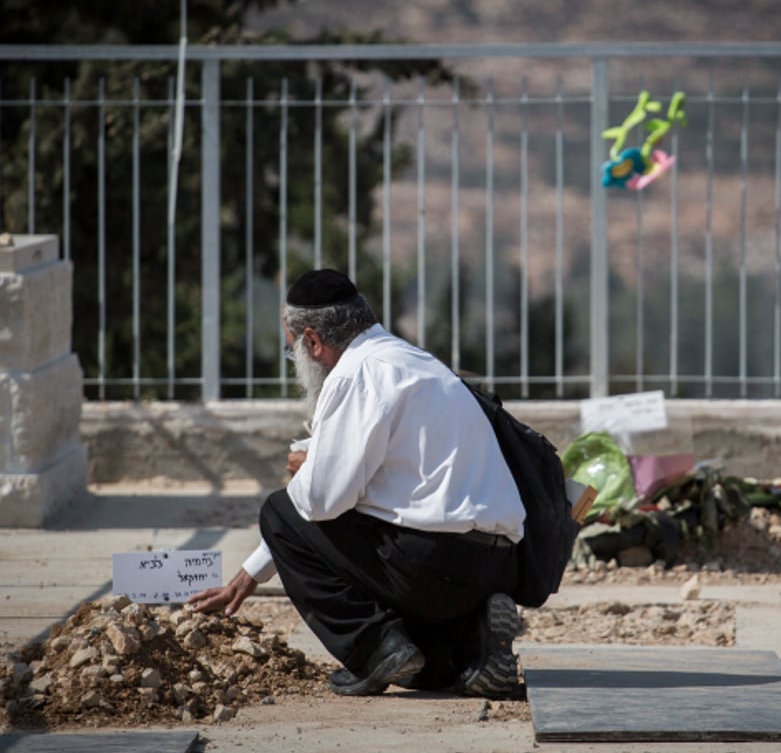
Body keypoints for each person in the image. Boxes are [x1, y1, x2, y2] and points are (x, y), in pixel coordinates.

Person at [188, 268, 527, 699]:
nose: (294, 360)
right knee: (425, 671)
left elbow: (319, 503)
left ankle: (372, 649)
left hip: (431, 565)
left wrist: (308, 467)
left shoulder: (355, 373)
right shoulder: (412, 359)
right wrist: (249, 576)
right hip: (495, 566)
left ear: (312, 341)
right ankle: (473, 644)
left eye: (291, 349)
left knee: (279, 509)